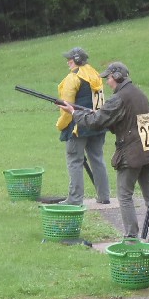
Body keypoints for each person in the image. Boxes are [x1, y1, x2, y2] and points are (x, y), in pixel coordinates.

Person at [56, 62, 149, 245]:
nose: (107, 81)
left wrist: (74, 113)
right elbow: (124, 120)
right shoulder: (139, 94)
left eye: (109, 78)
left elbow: (96, 122)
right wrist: (96, 113)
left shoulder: (119, 98)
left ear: (117, 77)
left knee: (124, 195)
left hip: (132, 152)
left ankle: (131, 238)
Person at [55, 47, 111, 206]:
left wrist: (61, 125)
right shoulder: (95, 74)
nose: (68, 62)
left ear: (76, 60)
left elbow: (67, 108)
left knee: (74, 160)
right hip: (98, 123)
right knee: (97, 159)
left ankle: (75, 199)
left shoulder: (73, 78)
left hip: (78, 126)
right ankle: (104, 195)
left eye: (70, 59)